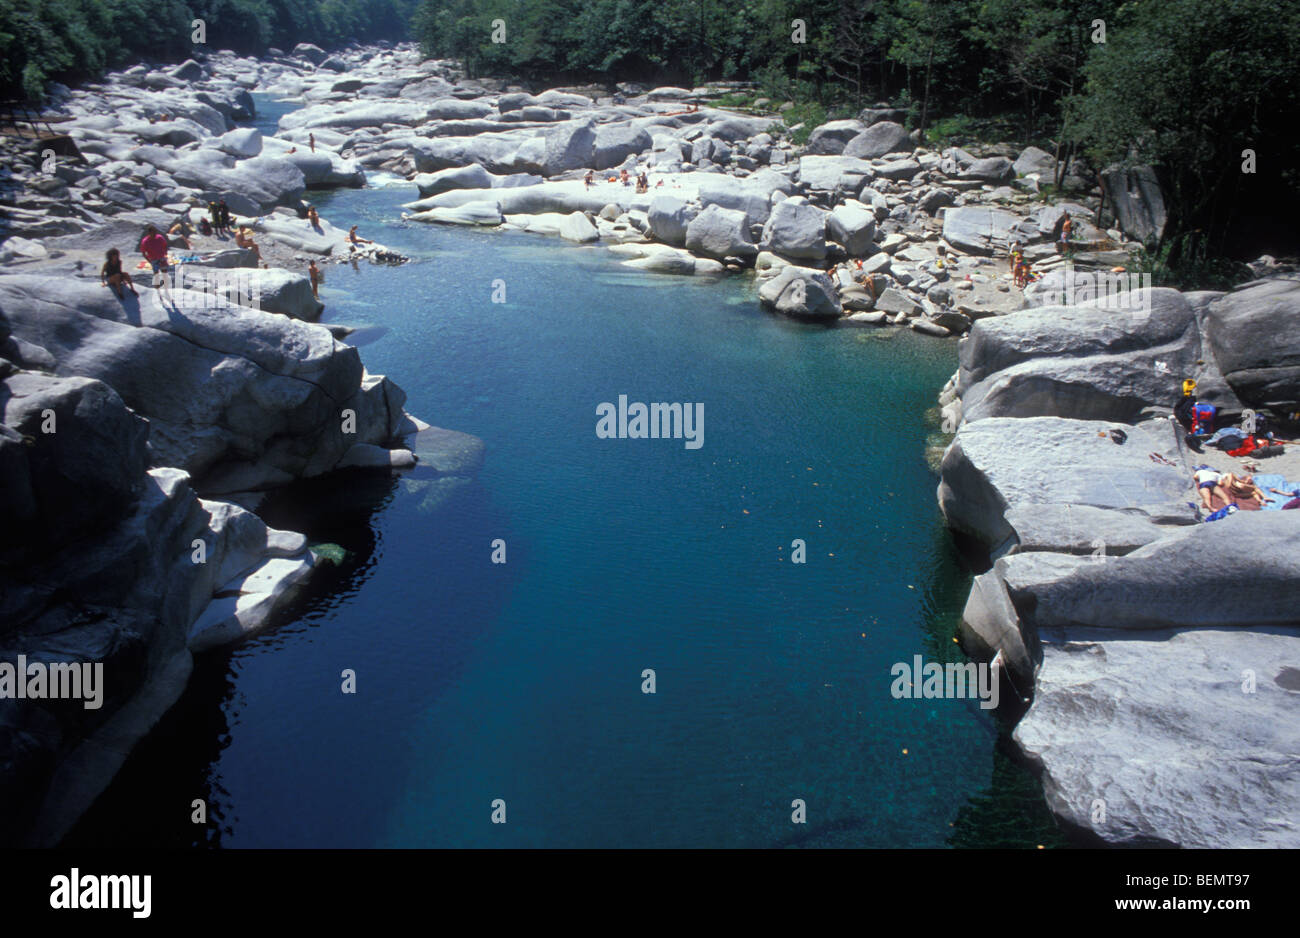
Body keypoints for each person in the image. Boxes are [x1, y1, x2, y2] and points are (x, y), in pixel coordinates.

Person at [139, 225, 172, 301]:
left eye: (155, 233)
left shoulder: (159, 237)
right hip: (154, 260)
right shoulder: (145, 241)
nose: (154, 234)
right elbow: (143, 252)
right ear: (149, 233)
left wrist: (165, 253)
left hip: (162, 258)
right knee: (156, 275)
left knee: (165, 274)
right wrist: (149, 261)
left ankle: (166, 291)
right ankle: (158, 292)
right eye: (153, 233)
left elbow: (165, 245)